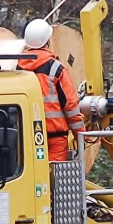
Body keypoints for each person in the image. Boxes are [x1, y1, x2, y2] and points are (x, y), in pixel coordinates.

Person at [19, 18, 84, 161]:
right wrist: (81, 135)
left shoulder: (17, 69)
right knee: (52, 179)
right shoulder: (56, 68)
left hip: (27, 138)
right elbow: (70, 106)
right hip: (55, 138)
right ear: (47, 41)